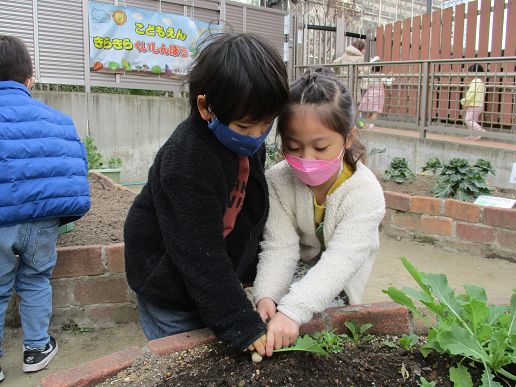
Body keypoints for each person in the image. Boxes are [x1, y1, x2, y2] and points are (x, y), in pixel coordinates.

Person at [123, 32, 290, 356]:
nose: (257, 137)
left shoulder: (241, 141)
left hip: (208, 277)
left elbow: (248, 215)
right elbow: (198, 252)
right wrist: (238, 320)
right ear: (206, 107)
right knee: (185, 360)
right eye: (246, 126)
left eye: (266, 124)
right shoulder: (187, 161)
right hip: (169, 288)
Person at [252, 67, 385, 357]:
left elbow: (342, 260)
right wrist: (266, 295)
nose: (306, 159)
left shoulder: (364, 192)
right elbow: (279, 247)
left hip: (343, 274)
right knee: (274, 311)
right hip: (299, 264)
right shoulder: (277, 180)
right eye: (293, 146)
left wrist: (293, 311)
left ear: (348, 138)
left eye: (321, 147)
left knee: (321, 324)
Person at [0, 35, 91, 380]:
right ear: (29, 80)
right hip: (42, 220)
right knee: (36, 279)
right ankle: (36, 348)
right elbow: (77, 165)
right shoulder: (57, 119)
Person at [358, 56, 394, 131]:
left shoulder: (371, 75)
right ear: (381, 68)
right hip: (378, 94)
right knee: (376, 110)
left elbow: (364, 78)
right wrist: (392, 77)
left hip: (370, 93)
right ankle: (371, 125)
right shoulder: (381, 75)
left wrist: (361, 72)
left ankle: (367, 124)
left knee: (371, 110)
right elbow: (388, 83)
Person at [332, 39, 370, 106]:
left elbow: (335, 63)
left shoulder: (345, 55)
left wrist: (338, 72)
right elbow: (361, 69)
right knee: (354, 102)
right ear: (361, 48)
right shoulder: (359, 58)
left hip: (342, 81)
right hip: (353, 82)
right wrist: (371, 69)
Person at [461, 64, 486, 141]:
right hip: (479, 104)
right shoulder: (482, 82)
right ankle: (473, 135)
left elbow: (471, 92)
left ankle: (480, 131)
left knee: (468, 120)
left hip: (473, 104)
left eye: (469, 72)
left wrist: (465, 100)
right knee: (472, 120)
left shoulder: (475, 81)